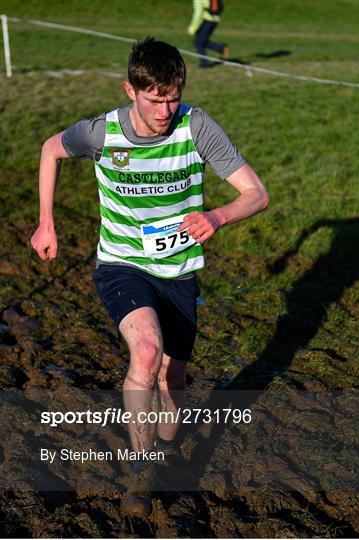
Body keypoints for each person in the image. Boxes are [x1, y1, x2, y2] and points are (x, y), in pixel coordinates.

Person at [31, 37, 269, 518]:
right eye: (154, 99)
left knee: (173, 376)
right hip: (123, 264)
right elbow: (49, 150)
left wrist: (219, 216)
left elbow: (257, 193)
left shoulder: (196, 126)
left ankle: (163, 446)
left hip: (179, 273)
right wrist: (46, 222)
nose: (165, 110)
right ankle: (140, 473)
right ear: (131, 90)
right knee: (146, 351)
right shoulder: (102, 133)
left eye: (172, 97)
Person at [188, 0, 228, 68]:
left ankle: (205, 64)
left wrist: (193, 27)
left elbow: (198, 13)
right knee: (201, 41)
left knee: (198, 42)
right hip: (214, 20)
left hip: (206, 21)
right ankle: (221, 48)